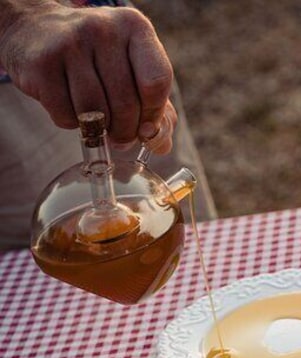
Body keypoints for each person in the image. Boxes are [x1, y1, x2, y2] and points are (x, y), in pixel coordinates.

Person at [0, 0, 216, 250]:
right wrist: (14, 18)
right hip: (14, 77)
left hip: (108, 29)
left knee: (179, 237)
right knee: (50, 252)